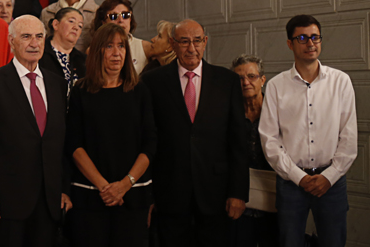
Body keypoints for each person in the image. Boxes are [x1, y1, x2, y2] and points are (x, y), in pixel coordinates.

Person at [140, 19, 249, 247]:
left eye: (197, 41)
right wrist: (147, 195)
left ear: (205, 42)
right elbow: (147, 139)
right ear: (172, 44)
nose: (192, 48)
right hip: (169, 193)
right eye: (185, 42)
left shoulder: (227, 81)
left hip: (216, 193)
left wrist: (238, 192)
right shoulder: (152, 81)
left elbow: (238, 141)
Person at [0, 15, 72, 247]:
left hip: (49, 202)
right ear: (11, 41)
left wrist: (64, 189)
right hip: (7, 204)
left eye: (39, 37)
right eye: (26, 37)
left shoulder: (58, 84)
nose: (34, 43)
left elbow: (60, 143)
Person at [259, 15, 357, 247]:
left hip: (331, 182)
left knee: (333, 242)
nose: (310, 43)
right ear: (290, 44)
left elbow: (349, 137)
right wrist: (299, 177)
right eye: (302, 38)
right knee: (289, 242)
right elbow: (269, 140)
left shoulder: (340, 81)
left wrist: (329, 176)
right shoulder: (276, 86)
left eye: (315, 37)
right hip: (291, 182)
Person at [67, 22, 156, 247]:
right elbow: (74, 145)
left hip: (132, 196)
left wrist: (125, 184)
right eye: (109, 47)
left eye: (121, 46)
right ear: (98, 51)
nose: (117, 53)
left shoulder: (140, 91)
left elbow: (150, 143)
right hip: (90, 196)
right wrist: (105, 187)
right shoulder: (80, 91)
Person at [230, 54, 278, 247]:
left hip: (274, 197)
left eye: (251, 76)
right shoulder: (229, 114)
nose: (246, 82)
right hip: (239, 199)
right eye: (240, 78)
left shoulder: (277, 113)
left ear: (262, 79)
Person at [89, 0, 155, 73]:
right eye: (114, 16)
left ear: (130, 19)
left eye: (125, 15)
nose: (120, 20)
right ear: (103, 22)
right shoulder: (93, 50)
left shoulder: (145, 47)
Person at [39, 7, 86, 101]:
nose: (76, 27)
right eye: (71, 21)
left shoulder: (84, 60)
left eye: (80, 26)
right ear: (55, 24)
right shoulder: (39, 54)